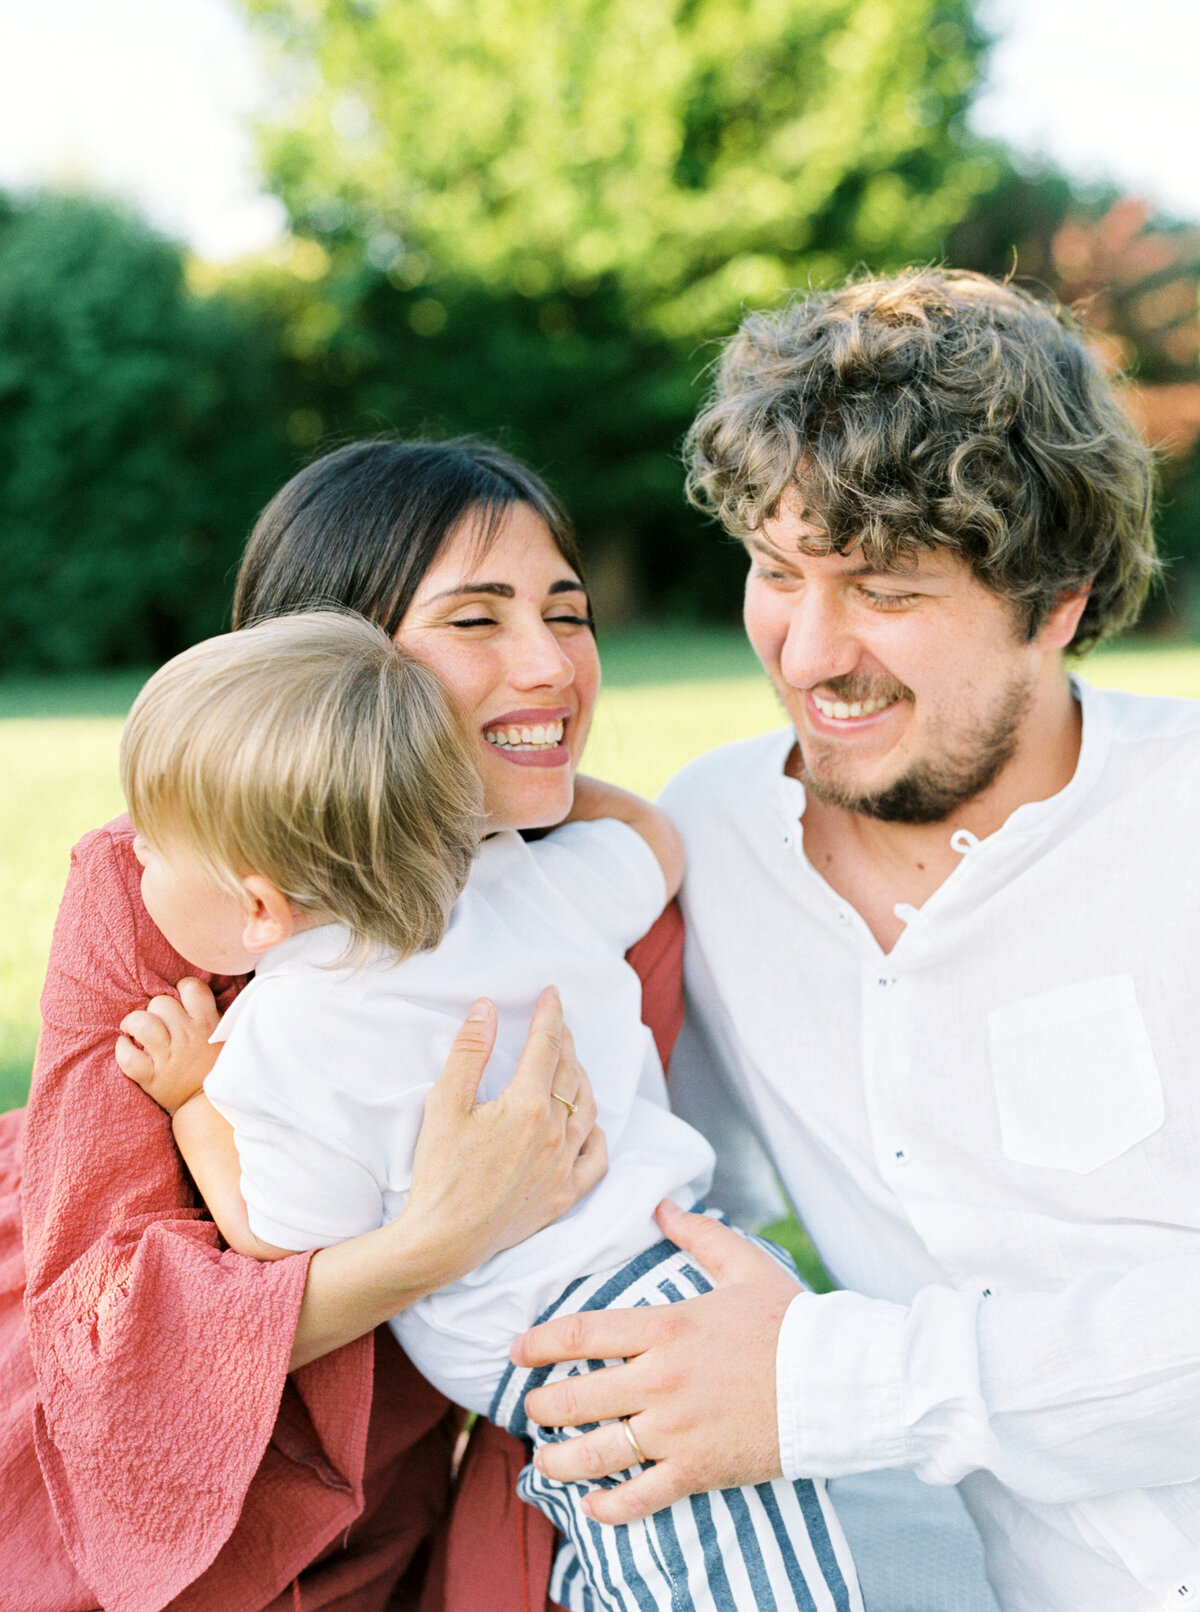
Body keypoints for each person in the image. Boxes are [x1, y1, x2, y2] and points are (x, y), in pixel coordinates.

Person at [507, 270, 1200, 1611]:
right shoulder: (702, 840)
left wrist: (818, 1387)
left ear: (1056, 600)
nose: (811, 653)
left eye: (884, 589)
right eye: (778, 571)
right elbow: (629, 1181)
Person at [0, 439, 680, 1612]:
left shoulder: (573, 895)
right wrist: (435, 1240)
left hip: (391, 1471)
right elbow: (104, 1331)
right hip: (87, 1468)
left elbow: (593, 1241)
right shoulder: (157, 875)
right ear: (332, 658)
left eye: (568, 615)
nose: (550, 665)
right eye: (476, 619)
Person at [115, 608, 865, 1612]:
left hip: (613, 1359)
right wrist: (488, 810)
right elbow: (655, 843)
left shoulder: (284, 1038)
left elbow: (280, 1241)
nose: (137, 863)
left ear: (259, 910)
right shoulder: (520, 878)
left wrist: (193, 1099)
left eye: (153, 847)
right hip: (672, 1288)